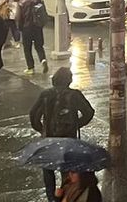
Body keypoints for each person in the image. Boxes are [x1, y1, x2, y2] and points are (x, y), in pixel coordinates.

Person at [30, 67, 96, 201]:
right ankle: (65, 196)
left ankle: (51, 198)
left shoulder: (45, 94)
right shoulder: (75, 95)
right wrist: (76, 124)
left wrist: (41, 129)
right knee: (67, 171)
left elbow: (33, 114)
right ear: (69, 80)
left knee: (48, 170)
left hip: (48, 139)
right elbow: (89, 112)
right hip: (68, 139)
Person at [16, 0, 49, 73]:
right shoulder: (38, 0)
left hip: (26, 28)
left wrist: (19, 28)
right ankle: (43, 60)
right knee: (39, 46)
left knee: (27, 48)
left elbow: (18, 17)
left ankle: (31, 68)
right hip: (38, 27)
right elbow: (44, 13)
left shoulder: (21, 3)